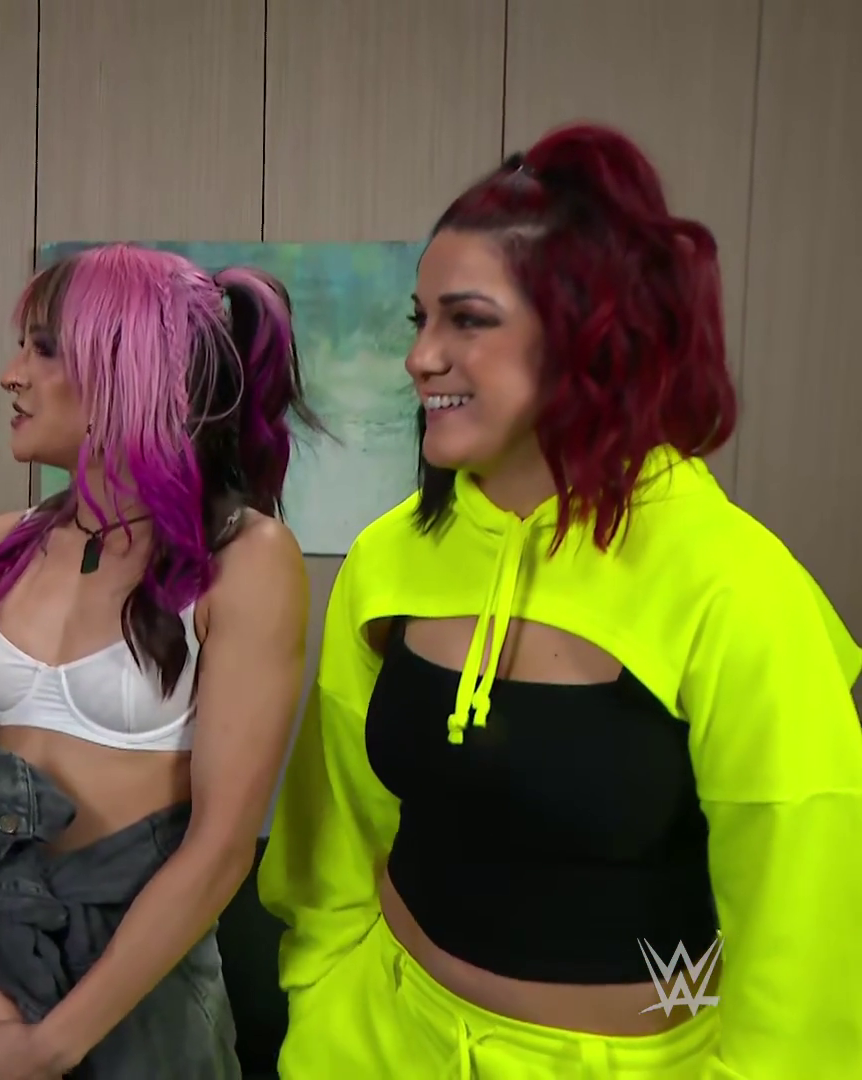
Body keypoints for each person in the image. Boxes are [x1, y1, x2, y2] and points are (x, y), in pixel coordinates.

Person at [260, 123, 862, 1079]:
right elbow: (332, 835)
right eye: (419, 320)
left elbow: (806, 953)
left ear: (591, 335)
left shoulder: (738, 586)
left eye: (466, 320)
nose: (421, 357)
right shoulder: (387, 558)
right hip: (374, 1039)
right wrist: (321, 1001)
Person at [0, 244, 316, 1079]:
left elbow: (221, 846)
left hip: (135, 995)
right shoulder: (1, 547)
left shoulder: (249, 560)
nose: (11, 375)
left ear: (127, 371)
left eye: (43, 349)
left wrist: (50, 1046)